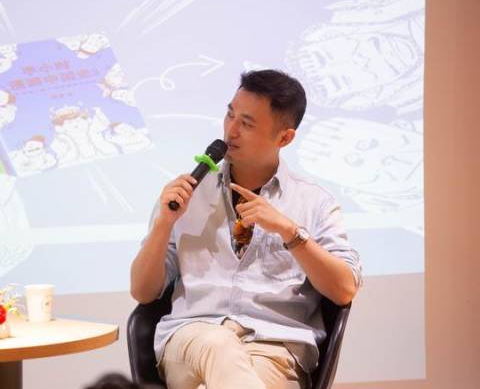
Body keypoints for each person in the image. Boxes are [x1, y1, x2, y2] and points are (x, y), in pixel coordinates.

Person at [130, 70, 362, 389]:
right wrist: (164, 224)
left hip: (273, 351)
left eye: (247, 123)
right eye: (230, 115)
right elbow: (142, 292)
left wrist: (290, 232)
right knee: (218, 343)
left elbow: (344, 289)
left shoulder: (315, 203)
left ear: (285, 138)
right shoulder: (186, 194)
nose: (231, 131)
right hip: (192, 339)